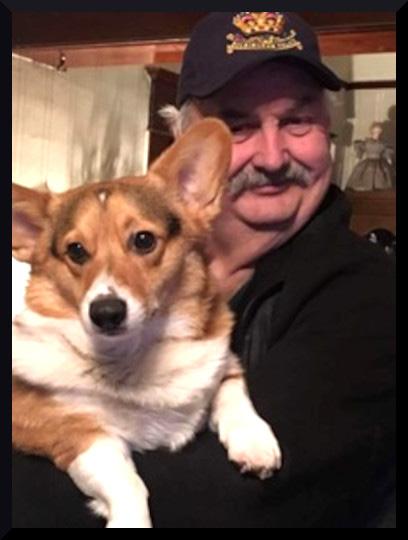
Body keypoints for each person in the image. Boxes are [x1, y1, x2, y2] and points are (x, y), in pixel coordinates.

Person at [12, 12, 395, 528]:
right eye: (238, 126)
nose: (273, 156)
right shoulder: (149, 243)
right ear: (186, 155)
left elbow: (230, 500)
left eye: (297, 120)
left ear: (328, 130)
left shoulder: (367, 295)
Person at [347, 122, 395, 191]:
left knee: (381, 181)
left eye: (379, 132)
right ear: (372, 131)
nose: (377, 134)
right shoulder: (366, 142)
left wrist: (390, 163)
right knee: (364, 180)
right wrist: (357, 161)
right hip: (367, 163)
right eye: (375, 132)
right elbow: (360, 152)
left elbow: (387, 155)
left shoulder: (383, 143)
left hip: (380, 164)